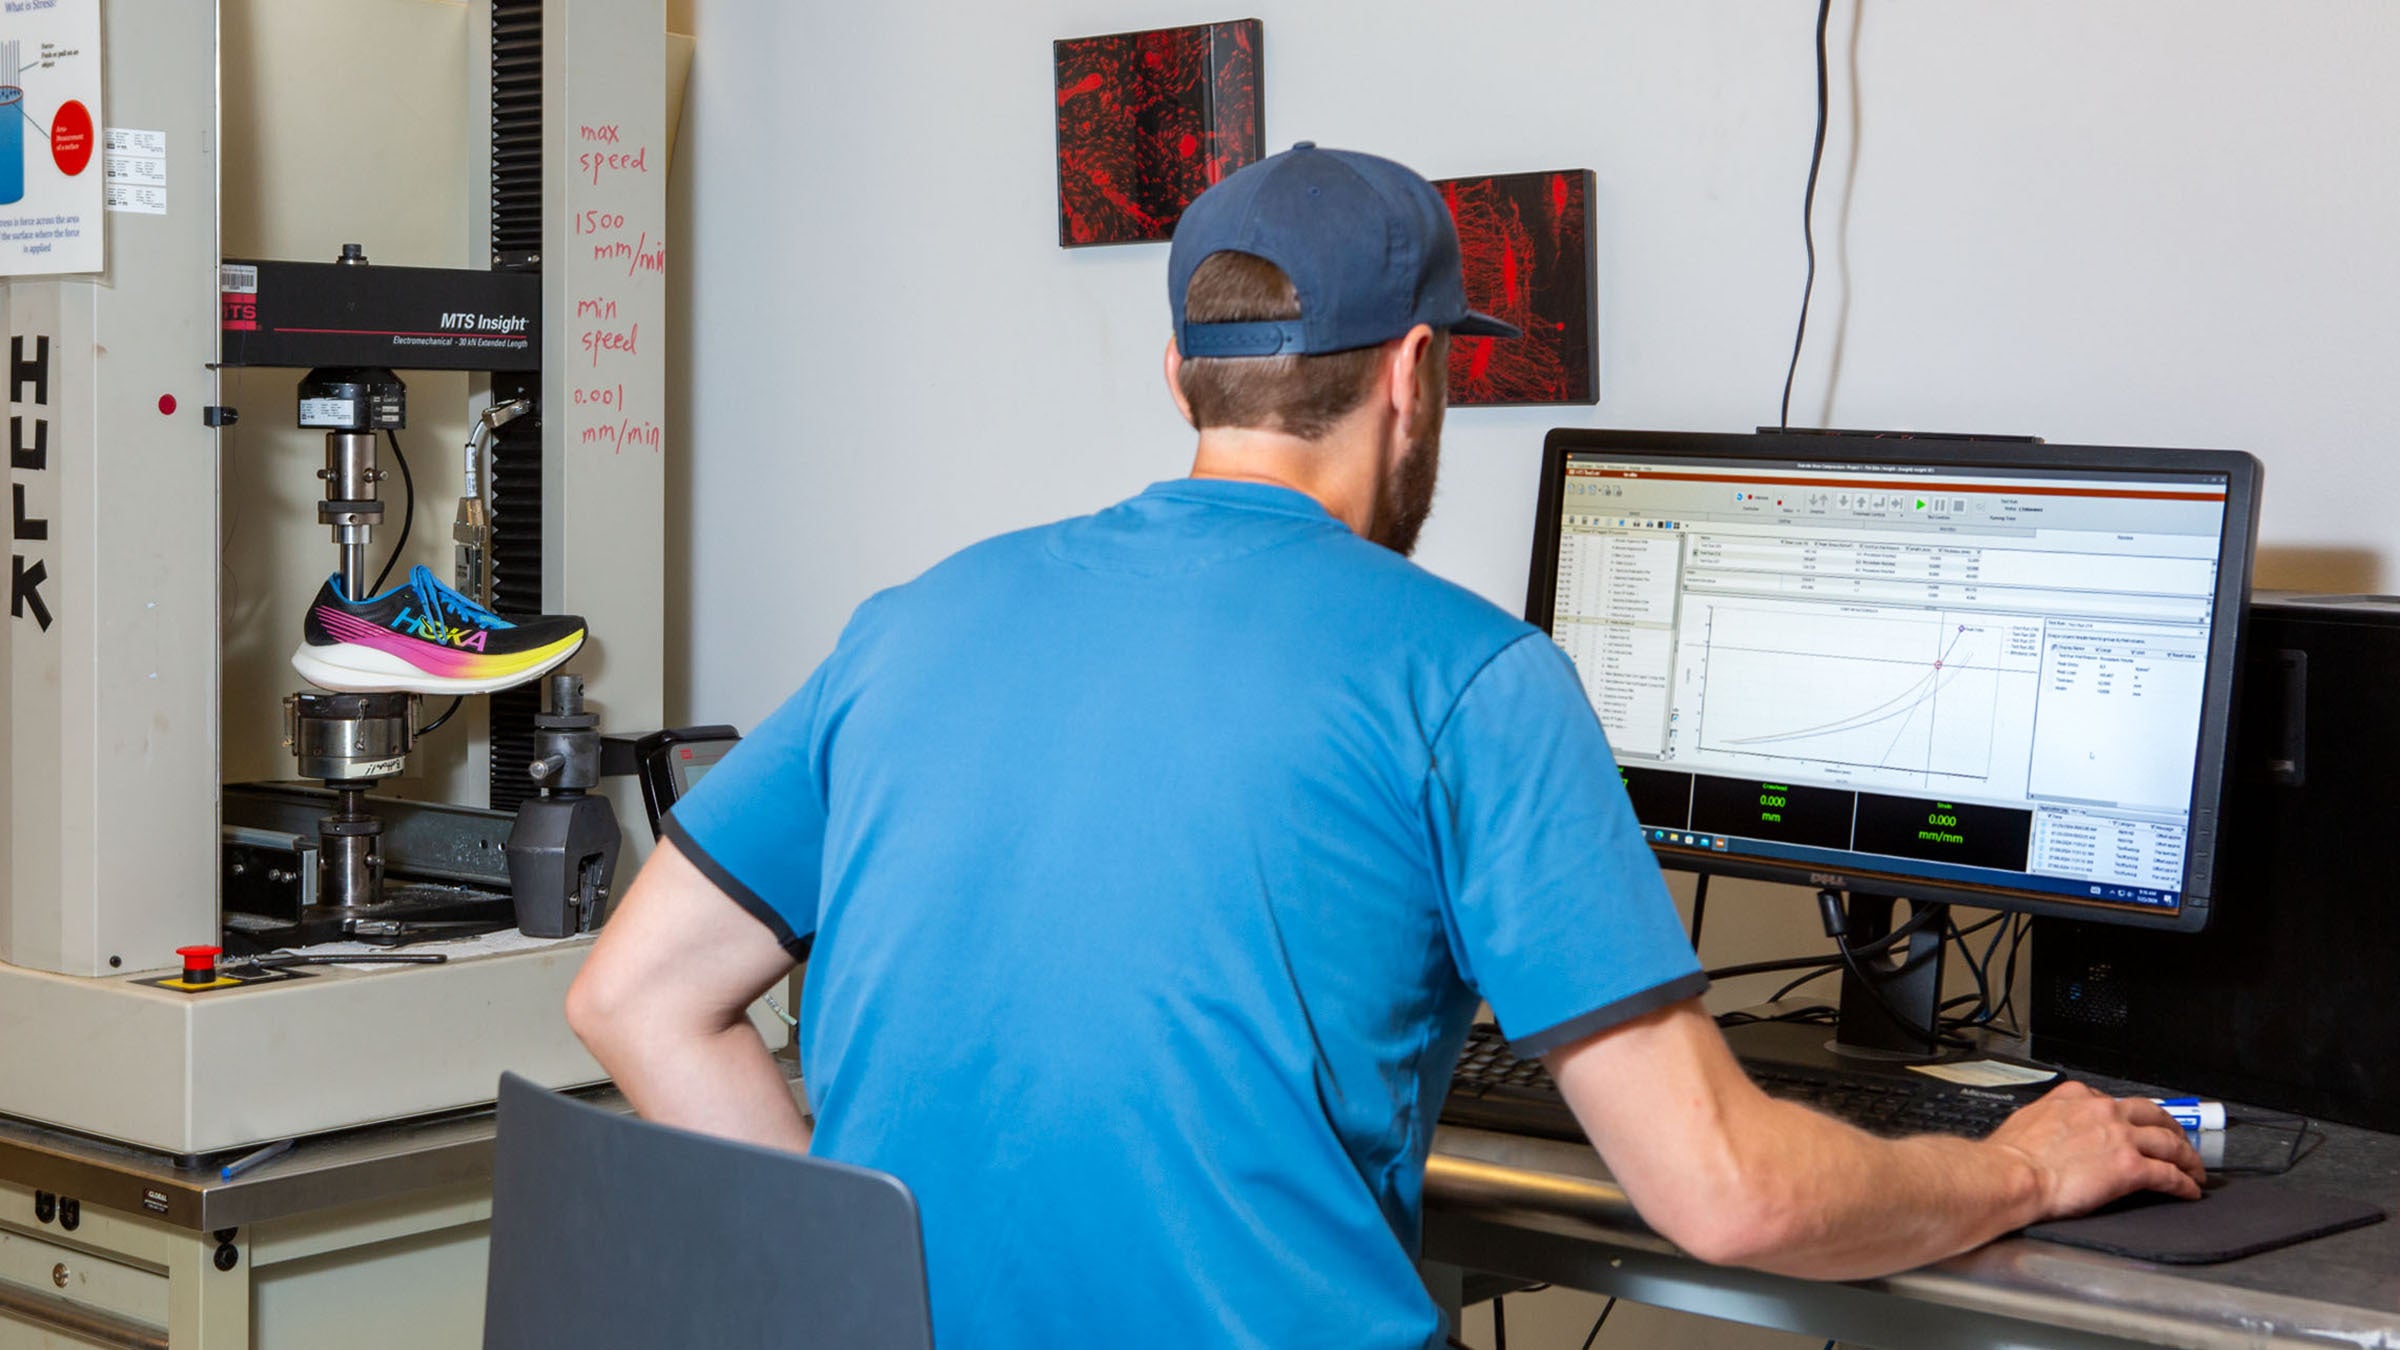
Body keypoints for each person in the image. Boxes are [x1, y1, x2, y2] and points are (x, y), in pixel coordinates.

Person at [566, 143, 2202, 1349]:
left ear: (1180, 374)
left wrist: (872, 1296)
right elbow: (1727, 1194)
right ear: (1418, 378)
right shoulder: (1468, 676)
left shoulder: (911, 621)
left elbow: (632, 997)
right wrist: (2017, 1169)